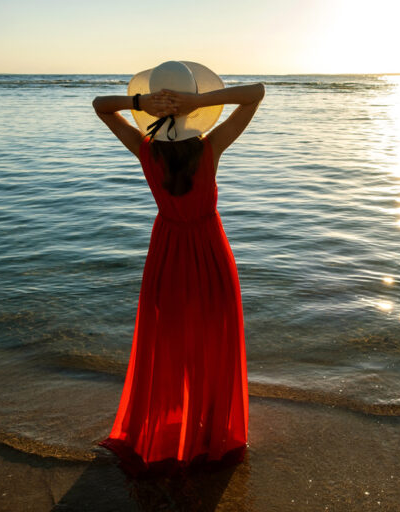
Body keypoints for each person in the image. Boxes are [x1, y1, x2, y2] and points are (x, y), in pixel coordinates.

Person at [91, 61, 264, 478]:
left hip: (167, 250)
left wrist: (140, 103)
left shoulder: (145, 149)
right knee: (212, 337)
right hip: (209, 250)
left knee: (168, 340)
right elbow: (255, 92)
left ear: (152, 105)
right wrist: (201, 101)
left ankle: (171, 424)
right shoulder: (211, 146)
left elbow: (100, 105)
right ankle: (207, 430)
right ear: (192, 106)